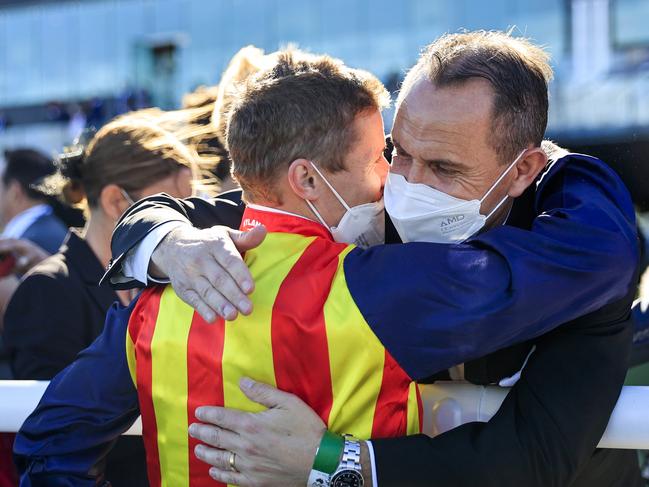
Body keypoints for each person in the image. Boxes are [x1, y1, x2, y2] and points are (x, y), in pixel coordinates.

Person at [16, 32, 640, 487]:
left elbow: (534, 459)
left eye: (443, 168)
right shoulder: (362, 226)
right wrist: (164, 241)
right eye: (396, 152)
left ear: (523, 169)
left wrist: (336, 463)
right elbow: (229, 212)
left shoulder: (577, 264)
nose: (402, 183)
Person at [4, 110, 205, 486]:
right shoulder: (46, 291)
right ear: (116, 201)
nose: (190, 224)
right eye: (175, 207)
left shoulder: (164, 283)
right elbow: (53, 437)